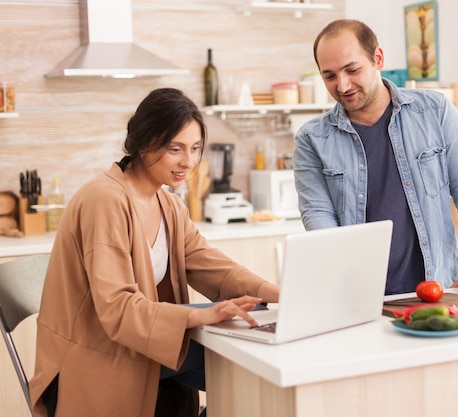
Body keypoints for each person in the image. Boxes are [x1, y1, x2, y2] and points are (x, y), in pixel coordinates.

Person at [29, 88, 280, 417]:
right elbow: (117, 308)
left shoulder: (168, 204)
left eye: (194, 149)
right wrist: (199, 314)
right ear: (144, 142)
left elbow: (217, 269)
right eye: (175, 148)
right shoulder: (105, 200)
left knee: (252, 372)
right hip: (98, 353)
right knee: (250, 373)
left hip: (137, 342)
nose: (187, 162)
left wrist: (279, 293)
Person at [294, 19, 458, 296]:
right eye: (329, 76)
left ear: (378, 58)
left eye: (352, 70)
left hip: (438, 287)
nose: (342, 86)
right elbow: (318, 215)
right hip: (359, 295)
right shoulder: (312, 139)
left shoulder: (435, 111)